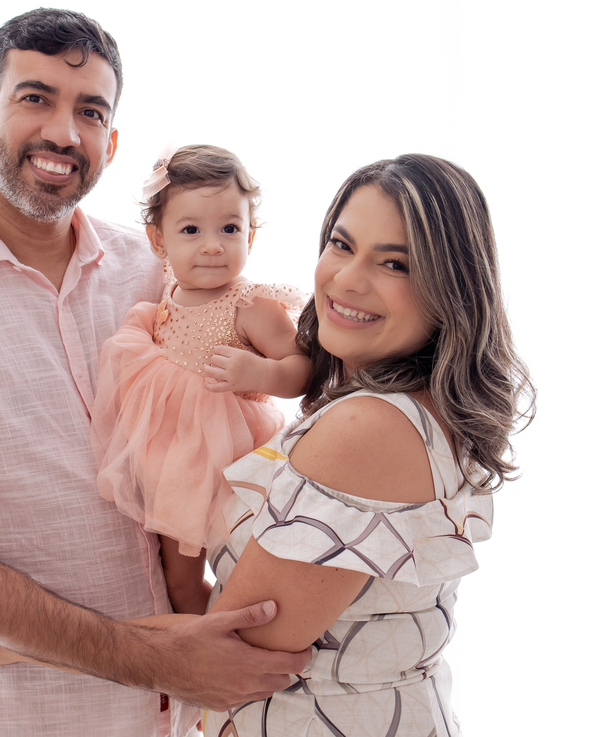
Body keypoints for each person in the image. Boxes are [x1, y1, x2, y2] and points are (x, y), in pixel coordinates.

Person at [0, 8, 309, 737]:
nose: (63, 133)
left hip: (203, 715)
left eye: (90, 111)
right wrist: (155, 658)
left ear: (111, 142)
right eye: (36, 98)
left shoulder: (161, 267)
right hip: (35, 719)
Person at [202, 154, 536, 735]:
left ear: (451, 290)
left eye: (395, 264)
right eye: (342, 244)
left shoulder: (371, 427)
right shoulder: (416, 410)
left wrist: (49, 638)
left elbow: (221, 660)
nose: (348, 279)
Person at [91, 144, 309, 617]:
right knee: (180, 579)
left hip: (235, 458)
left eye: (230, 229)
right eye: (191, 230)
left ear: (251, 233)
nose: (213, 245)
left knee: (245, 562)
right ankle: (202, 638)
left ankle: (255, 627)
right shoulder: (167, 292)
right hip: (175, 464)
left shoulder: (251, 304)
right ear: (159, 241)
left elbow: (303, 369)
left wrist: (261, 372)